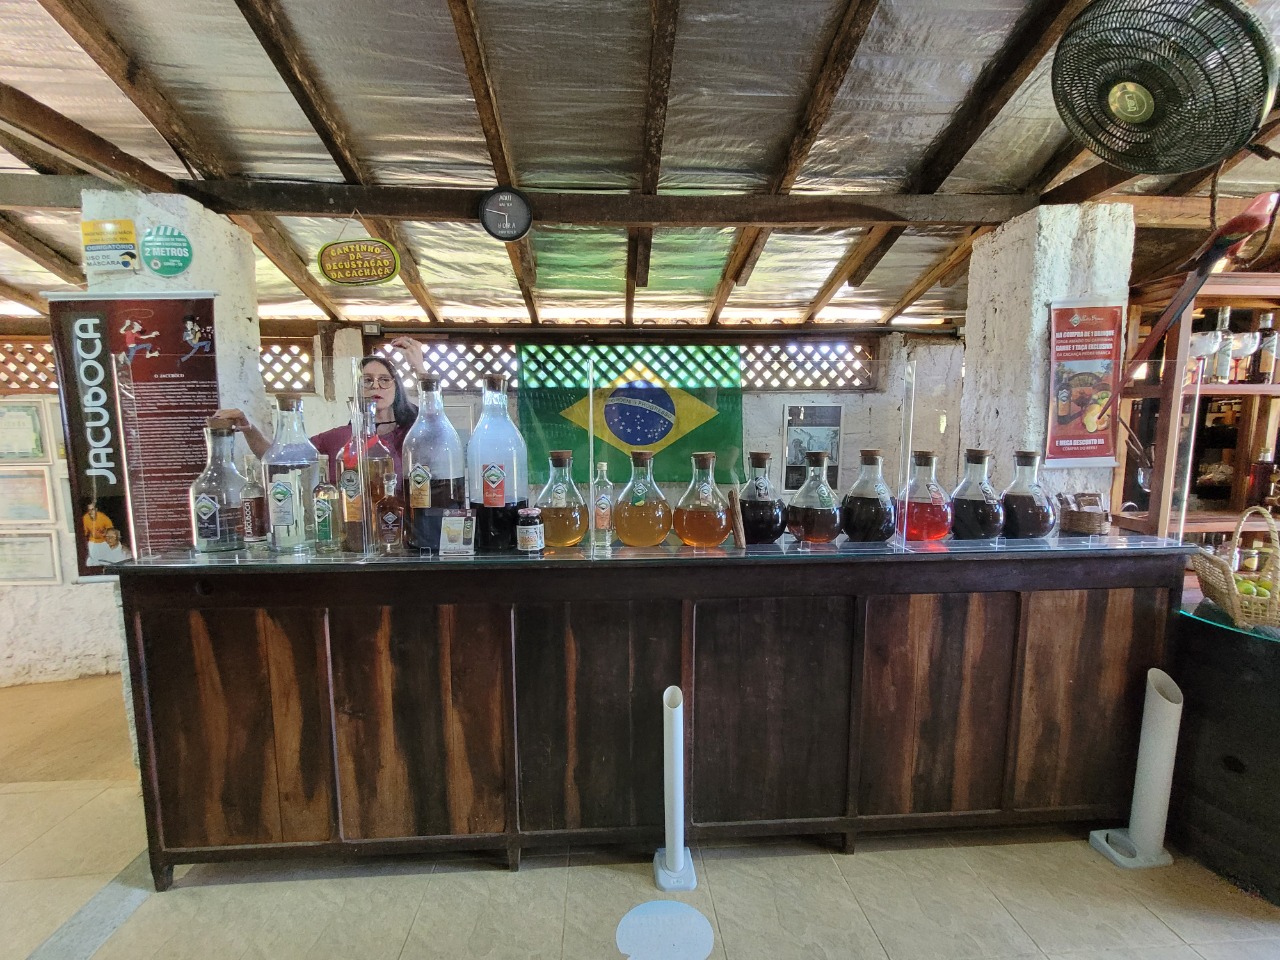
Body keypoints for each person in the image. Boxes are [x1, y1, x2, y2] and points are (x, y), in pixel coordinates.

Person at [216, 338, 429, 481]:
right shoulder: (337, 439)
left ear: (396, 386)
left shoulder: (415, 433)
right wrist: (249, 428)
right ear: (356, 389)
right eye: (367, 380)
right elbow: (280, 458)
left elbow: (436, 420)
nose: (375, 386)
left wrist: (419, 368)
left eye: (384, 380)